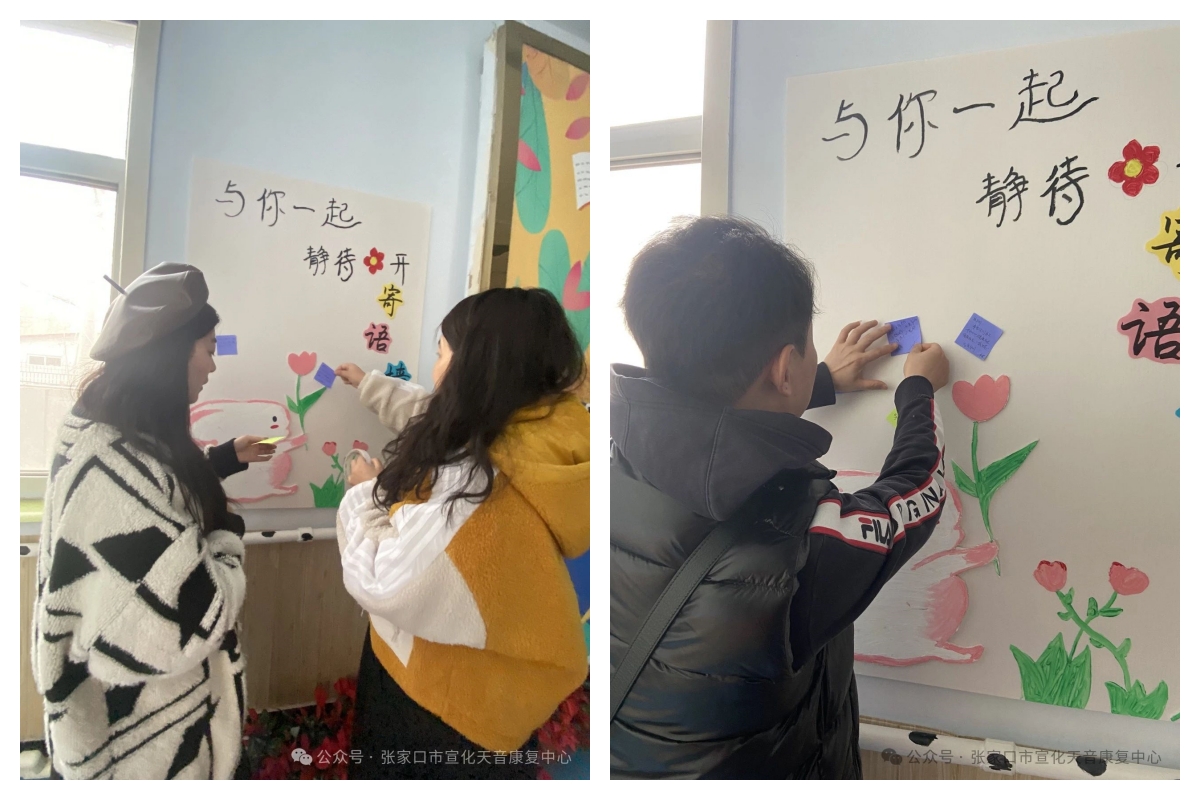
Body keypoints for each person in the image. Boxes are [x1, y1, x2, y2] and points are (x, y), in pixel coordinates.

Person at [610, 217, 951, 779]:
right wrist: (919, 388)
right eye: (807, 347)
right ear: (783, 368)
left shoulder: (617, 462)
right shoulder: (799, 548)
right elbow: (918, 491)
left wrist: (815, 381)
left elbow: (707, 431)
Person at [332, 287, 589, 779]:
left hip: (441, 709)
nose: (435, 371)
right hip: (487, 700)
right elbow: (427, 411)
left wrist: (364, 495)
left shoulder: (480, 484)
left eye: (440, 353)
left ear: (474, 366)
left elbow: (384, 582)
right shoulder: (534, 435)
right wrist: (368, 383)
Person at [32, 263, 266, 779]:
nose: (212, 365)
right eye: (208, 348)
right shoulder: (107, 465)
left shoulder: (114, 432)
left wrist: (224, 459)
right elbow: (188, 615)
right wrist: (227, 536)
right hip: (140, 749)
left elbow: (155, 497)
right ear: (171, 354)